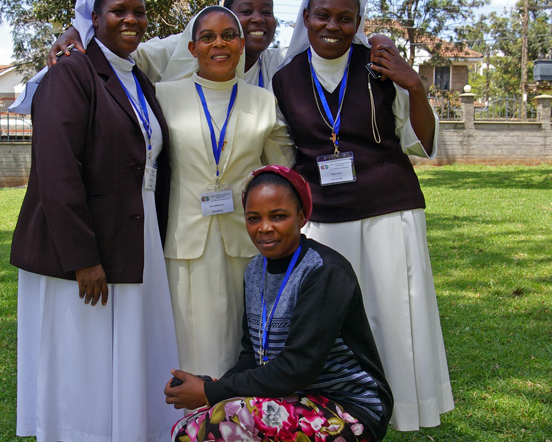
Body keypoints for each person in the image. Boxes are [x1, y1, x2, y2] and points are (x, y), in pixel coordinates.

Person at [270, 0, 453, 431]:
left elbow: (422, 144)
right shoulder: (284, 78)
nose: (333, 26)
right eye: (323, 16)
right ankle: (340, 415)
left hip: (389, 212)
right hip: (325, 221)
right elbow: (286, 156)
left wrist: (415, 86)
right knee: (329, 324)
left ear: (358, 22)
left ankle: (403, 411)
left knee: (394, 315)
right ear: (306, 18)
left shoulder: (379, 66)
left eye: (346, 18)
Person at [9, 0, 180, 442]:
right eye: (118, 10)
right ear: (93, 18)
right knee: (82, 354)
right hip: (84, 240)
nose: (131, 19)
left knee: (124, 348)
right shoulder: (70, 73)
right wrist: (83, 257)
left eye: (139, 11)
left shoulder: (136, 76)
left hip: (135, 229)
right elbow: (57, 169)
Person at [165, 165, 393, 442]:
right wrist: (215, 386)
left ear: (301, 216)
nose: (264, 228)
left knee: (221, 422)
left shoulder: (324, 271)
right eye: (253, 218)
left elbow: (298, 367)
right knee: (186, 428)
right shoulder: (254, 270)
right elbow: (251, 354)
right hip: (290, 398)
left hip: (350, 410)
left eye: (278, 216)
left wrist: (211, 393)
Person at [154, 6, 295, 379]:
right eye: (208, 37)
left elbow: (285, 169)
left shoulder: (264, 102)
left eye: (229, 35)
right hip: (184, 244)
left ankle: (233, 422)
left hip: (245, 244)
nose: (220, 43)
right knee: (186, 343)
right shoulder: (163, 97)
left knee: (241, 342)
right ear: (192, 47)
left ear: (242, 44)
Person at [42, 0, 390, 87]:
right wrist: (81, 26)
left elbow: (330, 41)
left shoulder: (278, 64)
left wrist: (378, 39)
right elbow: (120, 49)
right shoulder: (177, 50)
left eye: (266, 13)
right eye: (246, 11)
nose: (258, 20)